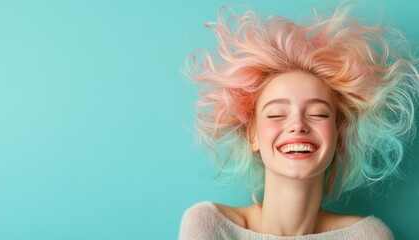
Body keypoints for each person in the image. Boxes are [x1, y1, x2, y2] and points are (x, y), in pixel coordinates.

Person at [179, 3, 419, 239]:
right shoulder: (209, 226)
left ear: (339, 132)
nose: (298, 125)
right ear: (252, 135)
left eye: (318, 113)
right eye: (276, 114)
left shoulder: (367, 236)